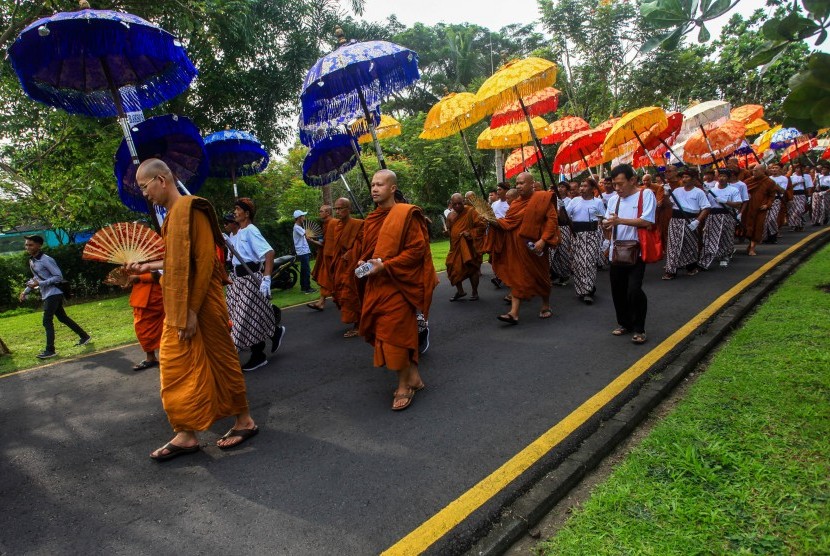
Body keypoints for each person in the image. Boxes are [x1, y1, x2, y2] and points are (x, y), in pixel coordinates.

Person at [129, 158, 257, 461]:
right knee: (176, 367)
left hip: (199, 304)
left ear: (162, 180)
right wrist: (146, 264)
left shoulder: (191, 209)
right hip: (179, 305)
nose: (145, 194)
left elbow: (204, 264)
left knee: (220, 360)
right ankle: (186, 433)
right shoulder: (171, 216)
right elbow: (176, 260)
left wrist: (192, 311)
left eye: (145, 187)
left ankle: (245, 421)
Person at [356, 169, 438, 411]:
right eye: (372, 184)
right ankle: (414, 377)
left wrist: (386, 266)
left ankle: (404, 386)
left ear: (392, 188)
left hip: (399, 285)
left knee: (395, 335)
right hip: (377, 284)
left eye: (380, 184)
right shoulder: (371, 219)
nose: (374, 188)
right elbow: (370, 250)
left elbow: (417, 251)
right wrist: (364, 262)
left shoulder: (406, 214)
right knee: (385, 332)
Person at [493, 171, 560, 324]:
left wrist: (543, 240)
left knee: (541, 276)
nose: (519, 186)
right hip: (517, 247)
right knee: (518, 276)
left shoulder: (543, 198)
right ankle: (513, 313)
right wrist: (492, 221)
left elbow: (552, 221)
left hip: (536, 247)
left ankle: (545, 305)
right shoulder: (516, 203)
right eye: (517, 183)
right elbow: (508, 223)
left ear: (531, 184)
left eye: (522, 183)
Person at [602, 164, 657, 345]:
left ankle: (639, 328)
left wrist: (619, 221)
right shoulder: (613, 200)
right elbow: (610, 223)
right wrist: (606, 234)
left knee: (634, 290)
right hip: (616, 250)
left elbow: (647, 221)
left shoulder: (645, 194)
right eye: (614, 184)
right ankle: (623, 322)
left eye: (620, 184)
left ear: (632, 180)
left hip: (637, 250)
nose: (617, 188)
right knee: (618, 290)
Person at [227, 198, 284, 372]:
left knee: (245, 319)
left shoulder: (251, 230)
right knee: (250, 315)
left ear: (246, 213)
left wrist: (266, 278)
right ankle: (274, 333)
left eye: (237, 209)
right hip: (237, 280)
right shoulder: (237, 232)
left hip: (250, 279)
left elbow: (269, 253)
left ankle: (258, 355)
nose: (235, 212)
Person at [19, 235, 90, 359]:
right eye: (26, 245)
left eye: (30, 245)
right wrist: (25, 292)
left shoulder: (46, 260)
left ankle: (50, 350)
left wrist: (40, 283)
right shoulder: (32, 260)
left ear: (39, 245)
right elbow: (36, 278)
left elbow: (58, 277)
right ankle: (84, 336)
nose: (27, 247)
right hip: (47, 294)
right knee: (63, 318)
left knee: (47, 320)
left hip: (54, 293)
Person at [662, 168, 710, 280]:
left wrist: (697, 221)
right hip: (675, 220)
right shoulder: (677, 191)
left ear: (694, 179)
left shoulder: (699, 192)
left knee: (690, 245)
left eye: (687, 177)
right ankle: (671, 271)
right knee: (673, 245)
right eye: (683, 177)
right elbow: (668, 204)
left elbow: (706, 208)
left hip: (691, 220)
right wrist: (665, 194)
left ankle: (691, 267)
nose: (684, 179)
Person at [566, 178, 606, 304]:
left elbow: (603, 219)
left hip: (592, 235)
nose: (581, 189)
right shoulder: (574, 201)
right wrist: (561, 209)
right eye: (581, 186)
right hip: (576, 235)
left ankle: (587, 291)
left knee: (588, 262)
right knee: (578, 263)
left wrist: (606, 239)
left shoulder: (598, 202)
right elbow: (565, 217)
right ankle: (582, 289)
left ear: (592, 189)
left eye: (585, 186)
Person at [330, 198, 364, 338]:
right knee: (341, 292)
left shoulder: (359, 224)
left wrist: (351, 253)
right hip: (341, 264)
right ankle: (358, 322)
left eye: (341, 208)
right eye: (336, 209)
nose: (338, 211)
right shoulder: (337, 226)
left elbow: (365, 244)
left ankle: (359, 324)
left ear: (349, 209)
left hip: (354, 264)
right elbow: (336, 247)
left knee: (353, 293)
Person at [445, 192, 487, 302]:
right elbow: (450, 230)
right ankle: (460, 291)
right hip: (455, 247)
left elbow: (482, 226)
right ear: (451, 204)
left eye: (460, 203)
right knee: (451, 266)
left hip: (469, 246)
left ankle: (475, 292)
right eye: (455, 204)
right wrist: (448, 234)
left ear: (463, 202)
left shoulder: (471, 211)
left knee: (472, 269)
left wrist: (470, 233)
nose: (457, 206)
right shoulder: (450, 215)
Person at [700, 171, 742, 269]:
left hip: (726, 215)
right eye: (720, 176)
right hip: (712, 216)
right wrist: (705, 193)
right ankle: (705, 259)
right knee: (709, 237)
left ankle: (724, 256)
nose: (722, 178)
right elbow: (706, 204)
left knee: (726, 236)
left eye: (724, 176)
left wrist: (725, 201)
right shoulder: (711, 190)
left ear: (728, 178)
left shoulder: (733, 190)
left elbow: (738, 203)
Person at [125, 271, 164, 370]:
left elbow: (163, 273)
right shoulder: (136, 259)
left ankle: (165, 357)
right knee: (141, 329)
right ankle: (151, 358)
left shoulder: (158, 257)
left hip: (156, 296)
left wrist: (139, 277)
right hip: (141, 297)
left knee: (163, 329)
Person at [742, 164, 780, 256]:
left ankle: (752, 248)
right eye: (753, 170)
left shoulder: (769, 182)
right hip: (749, 208)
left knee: (758, 227)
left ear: (763, 171)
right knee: (747, 226)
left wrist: (767, 205)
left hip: (760, 209)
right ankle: (749, 244)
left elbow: (772, 196)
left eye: (756, 170)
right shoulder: (748, 181)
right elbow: (742, 193)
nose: (754, 172)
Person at [307, 204, 335, 311]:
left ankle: (323, 302)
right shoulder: (325, 224)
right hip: (325, 255)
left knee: (330, 278)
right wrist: (314, 240)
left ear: (328, 212)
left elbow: (326, 244)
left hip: (331, 256)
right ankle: (321, 302)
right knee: (326, 278)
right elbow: (323, 241)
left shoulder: (332, 223)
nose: (320, 213)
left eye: (321, 211)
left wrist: (311, 241)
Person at [292, 209, 316, 294]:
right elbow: (307, 236)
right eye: (303, 216)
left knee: (304, 270)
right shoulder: (297, 227)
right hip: (303, 252)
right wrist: (316, 240)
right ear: (299, 218)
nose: (304, 218)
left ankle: (304, 287)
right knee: (306, 270)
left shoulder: (298, 227)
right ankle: (307, 288)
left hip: (303, 251)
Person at [764, 163, 789, 243]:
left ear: (780, 169)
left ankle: (774, 234)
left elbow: (782, 190)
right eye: (772, 168)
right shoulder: (768, 178)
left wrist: (775, 185)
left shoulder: (784, 178)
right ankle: (766, 237)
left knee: (772, 219)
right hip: (767, 200)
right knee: (765, 219)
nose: (774, 169)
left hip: (776, 200)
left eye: (776, 168)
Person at [788, 165, 812, 232]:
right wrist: (798, 182)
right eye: (797, 168)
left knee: (799, 210)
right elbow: (789, 187)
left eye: (800, 168)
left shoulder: (807, 176)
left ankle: (799, 224)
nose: (798, 169)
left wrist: (809, 196)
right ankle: (795, 225)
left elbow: (809, 186)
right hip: (794, 195)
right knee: (793, 211)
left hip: (802, 194)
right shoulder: (792, 177)